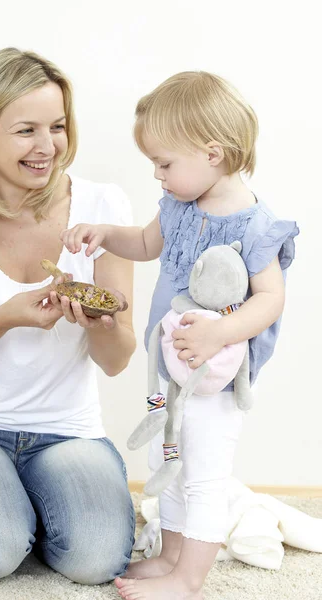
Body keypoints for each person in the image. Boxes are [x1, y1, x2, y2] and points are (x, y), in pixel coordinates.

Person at [61, 71, 299, 600]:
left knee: (203, 473)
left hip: (214, 379)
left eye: (164, 164)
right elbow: (146, 243)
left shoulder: (256, 226)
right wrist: (105, 235)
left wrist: (220, 334)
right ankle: (170, 555)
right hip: (168, 369)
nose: (157, 175)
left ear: (212, 153)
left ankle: (189, 579)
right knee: (167, 459)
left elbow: (270, 299)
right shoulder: (178, 206)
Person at [0, 47, 136, 584]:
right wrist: (3, 318)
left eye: (58, 126)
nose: (48, 148)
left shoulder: (103, 209)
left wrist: (102, 324)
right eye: (26, 131)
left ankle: (8, 503)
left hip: (67, 432)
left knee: (94, 562)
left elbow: (117, 362)